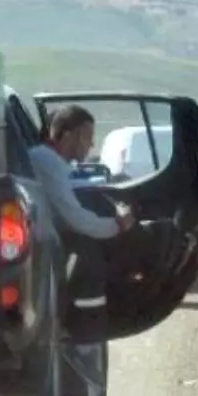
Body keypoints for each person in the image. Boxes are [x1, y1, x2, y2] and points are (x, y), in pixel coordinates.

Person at [28, 104, 135, 324]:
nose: (92, 144)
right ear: (69, 136)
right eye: (87, 137)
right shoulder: (45, 161)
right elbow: (76, 219)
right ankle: (87, 327)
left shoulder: (51, 162)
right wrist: (117, 224)